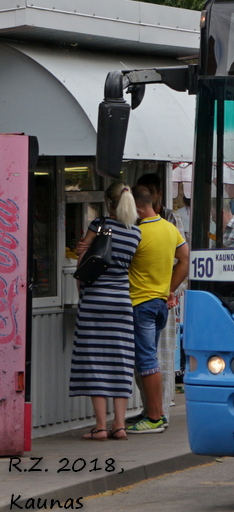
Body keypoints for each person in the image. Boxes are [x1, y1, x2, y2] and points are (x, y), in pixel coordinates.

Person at [69, 182, 140, 441]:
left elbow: (82, 263)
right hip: (121, 301)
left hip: (95, 300)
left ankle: (100, 427)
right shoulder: (135, 233)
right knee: (120, 360)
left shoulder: (99, 225)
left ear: (108, 203)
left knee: (94, 360)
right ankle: (119, 425)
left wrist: (83, 291)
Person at [124, 186, 190, 434]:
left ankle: (153, 417)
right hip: (160, 304)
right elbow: (185, 259)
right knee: (148, 358)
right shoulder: (169, 227)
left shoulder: (137, 232)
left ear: (137, 208)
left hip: (140, 303)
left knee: (146, 361)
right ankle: (154, 412)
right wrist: (169, 289)